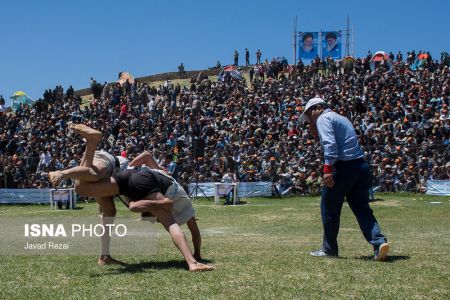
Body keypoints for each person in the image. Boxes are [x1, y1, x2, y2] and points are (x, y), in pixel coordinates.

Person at [299, 97, 390, 261]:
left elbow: (330, 144)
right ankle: (379, 242)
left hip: (342, 167)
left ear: (318, 108)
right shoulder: (341, 117)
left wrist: (327, 169)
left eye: (309, 114)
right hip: (361, 166)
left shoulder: (323, 118)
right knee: (362, 208)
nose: (309, 119)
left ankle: (329, 249)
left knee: (329, 208)